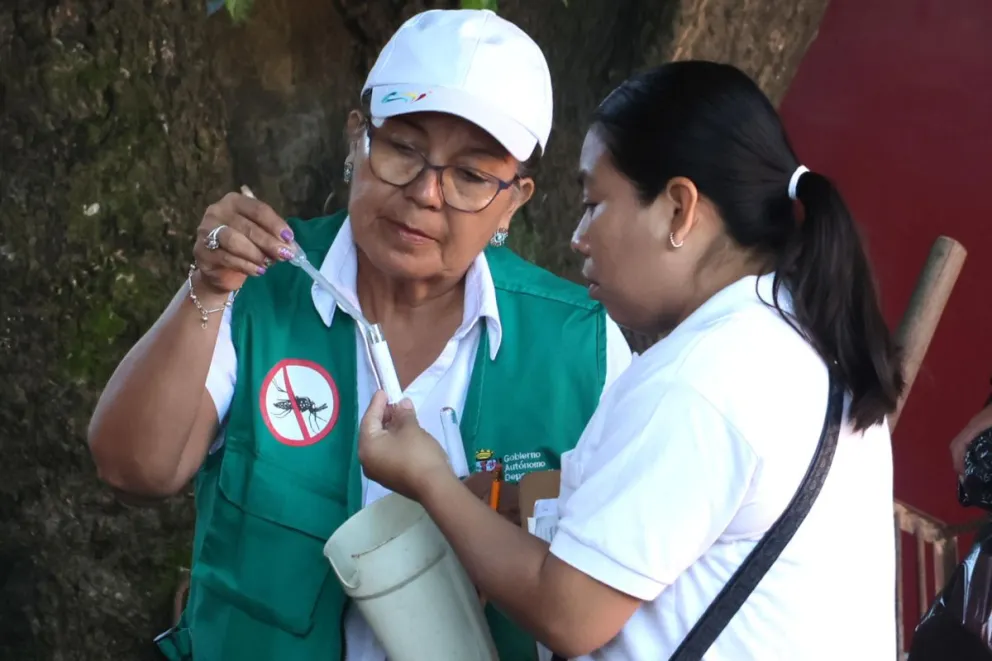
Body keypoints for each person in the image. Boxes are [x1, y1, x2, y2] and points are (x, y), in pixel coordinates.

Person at [86, 9, 632, 661]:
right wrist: (205, 289)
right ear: (356, 140)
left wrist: (501, 508)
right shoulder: (262, 280)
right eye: (403, 148)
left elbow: (619, 570)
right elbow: (133, 470)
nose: (427, 193)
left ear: (514, 200)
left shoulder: (582, 346)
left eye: (471, 175)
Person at [358, 60, 905, 659]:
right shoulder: (793, 336)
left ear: (678, 208)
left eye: (595, 202)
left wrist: (430, 480)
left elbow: (567, 613)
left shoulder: (706, 378)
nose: (578, 236)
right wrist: (504, 503)